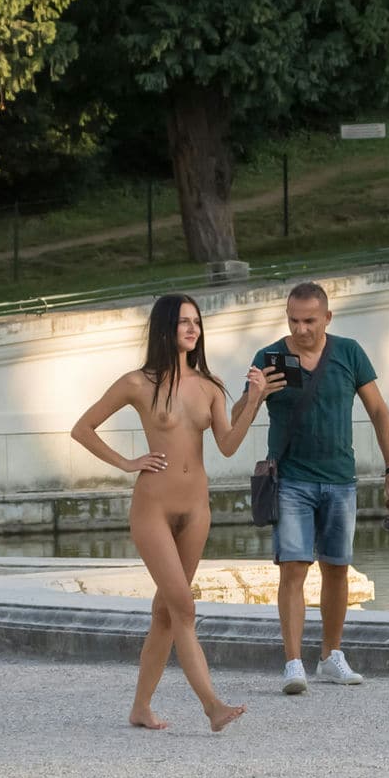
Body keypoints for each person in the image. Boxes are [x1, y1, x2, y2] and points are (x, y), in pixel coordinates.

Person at [72, 294, 271, 732]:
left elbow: (227, 445)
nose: (192, 328)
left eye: (196, 321)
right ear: (165, 327)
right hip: (154, 509)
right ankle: (212, 706)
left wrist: (255, 399)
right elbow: (82, 429)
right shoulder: (137, 382)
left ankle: (140, 708)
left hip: (197, 510)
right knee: (184, 607)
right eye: (183, 322)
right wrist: (127, 463)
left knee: (166, 612)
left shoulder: (209, 385)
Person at [251, 282, 389, 695]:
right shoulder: (270, 358)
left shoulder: (349, 352)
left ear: (327, 318)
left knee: (337, 568)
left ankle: (330, 655)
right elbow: (238, 418)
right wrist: (256, 394)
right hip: (291, 480)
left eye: (309, 321)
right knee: (293, 567)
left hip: (340, 478)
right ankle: (292, 663)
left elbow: (379, 410)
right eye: (293, 320)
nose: (300, 329)